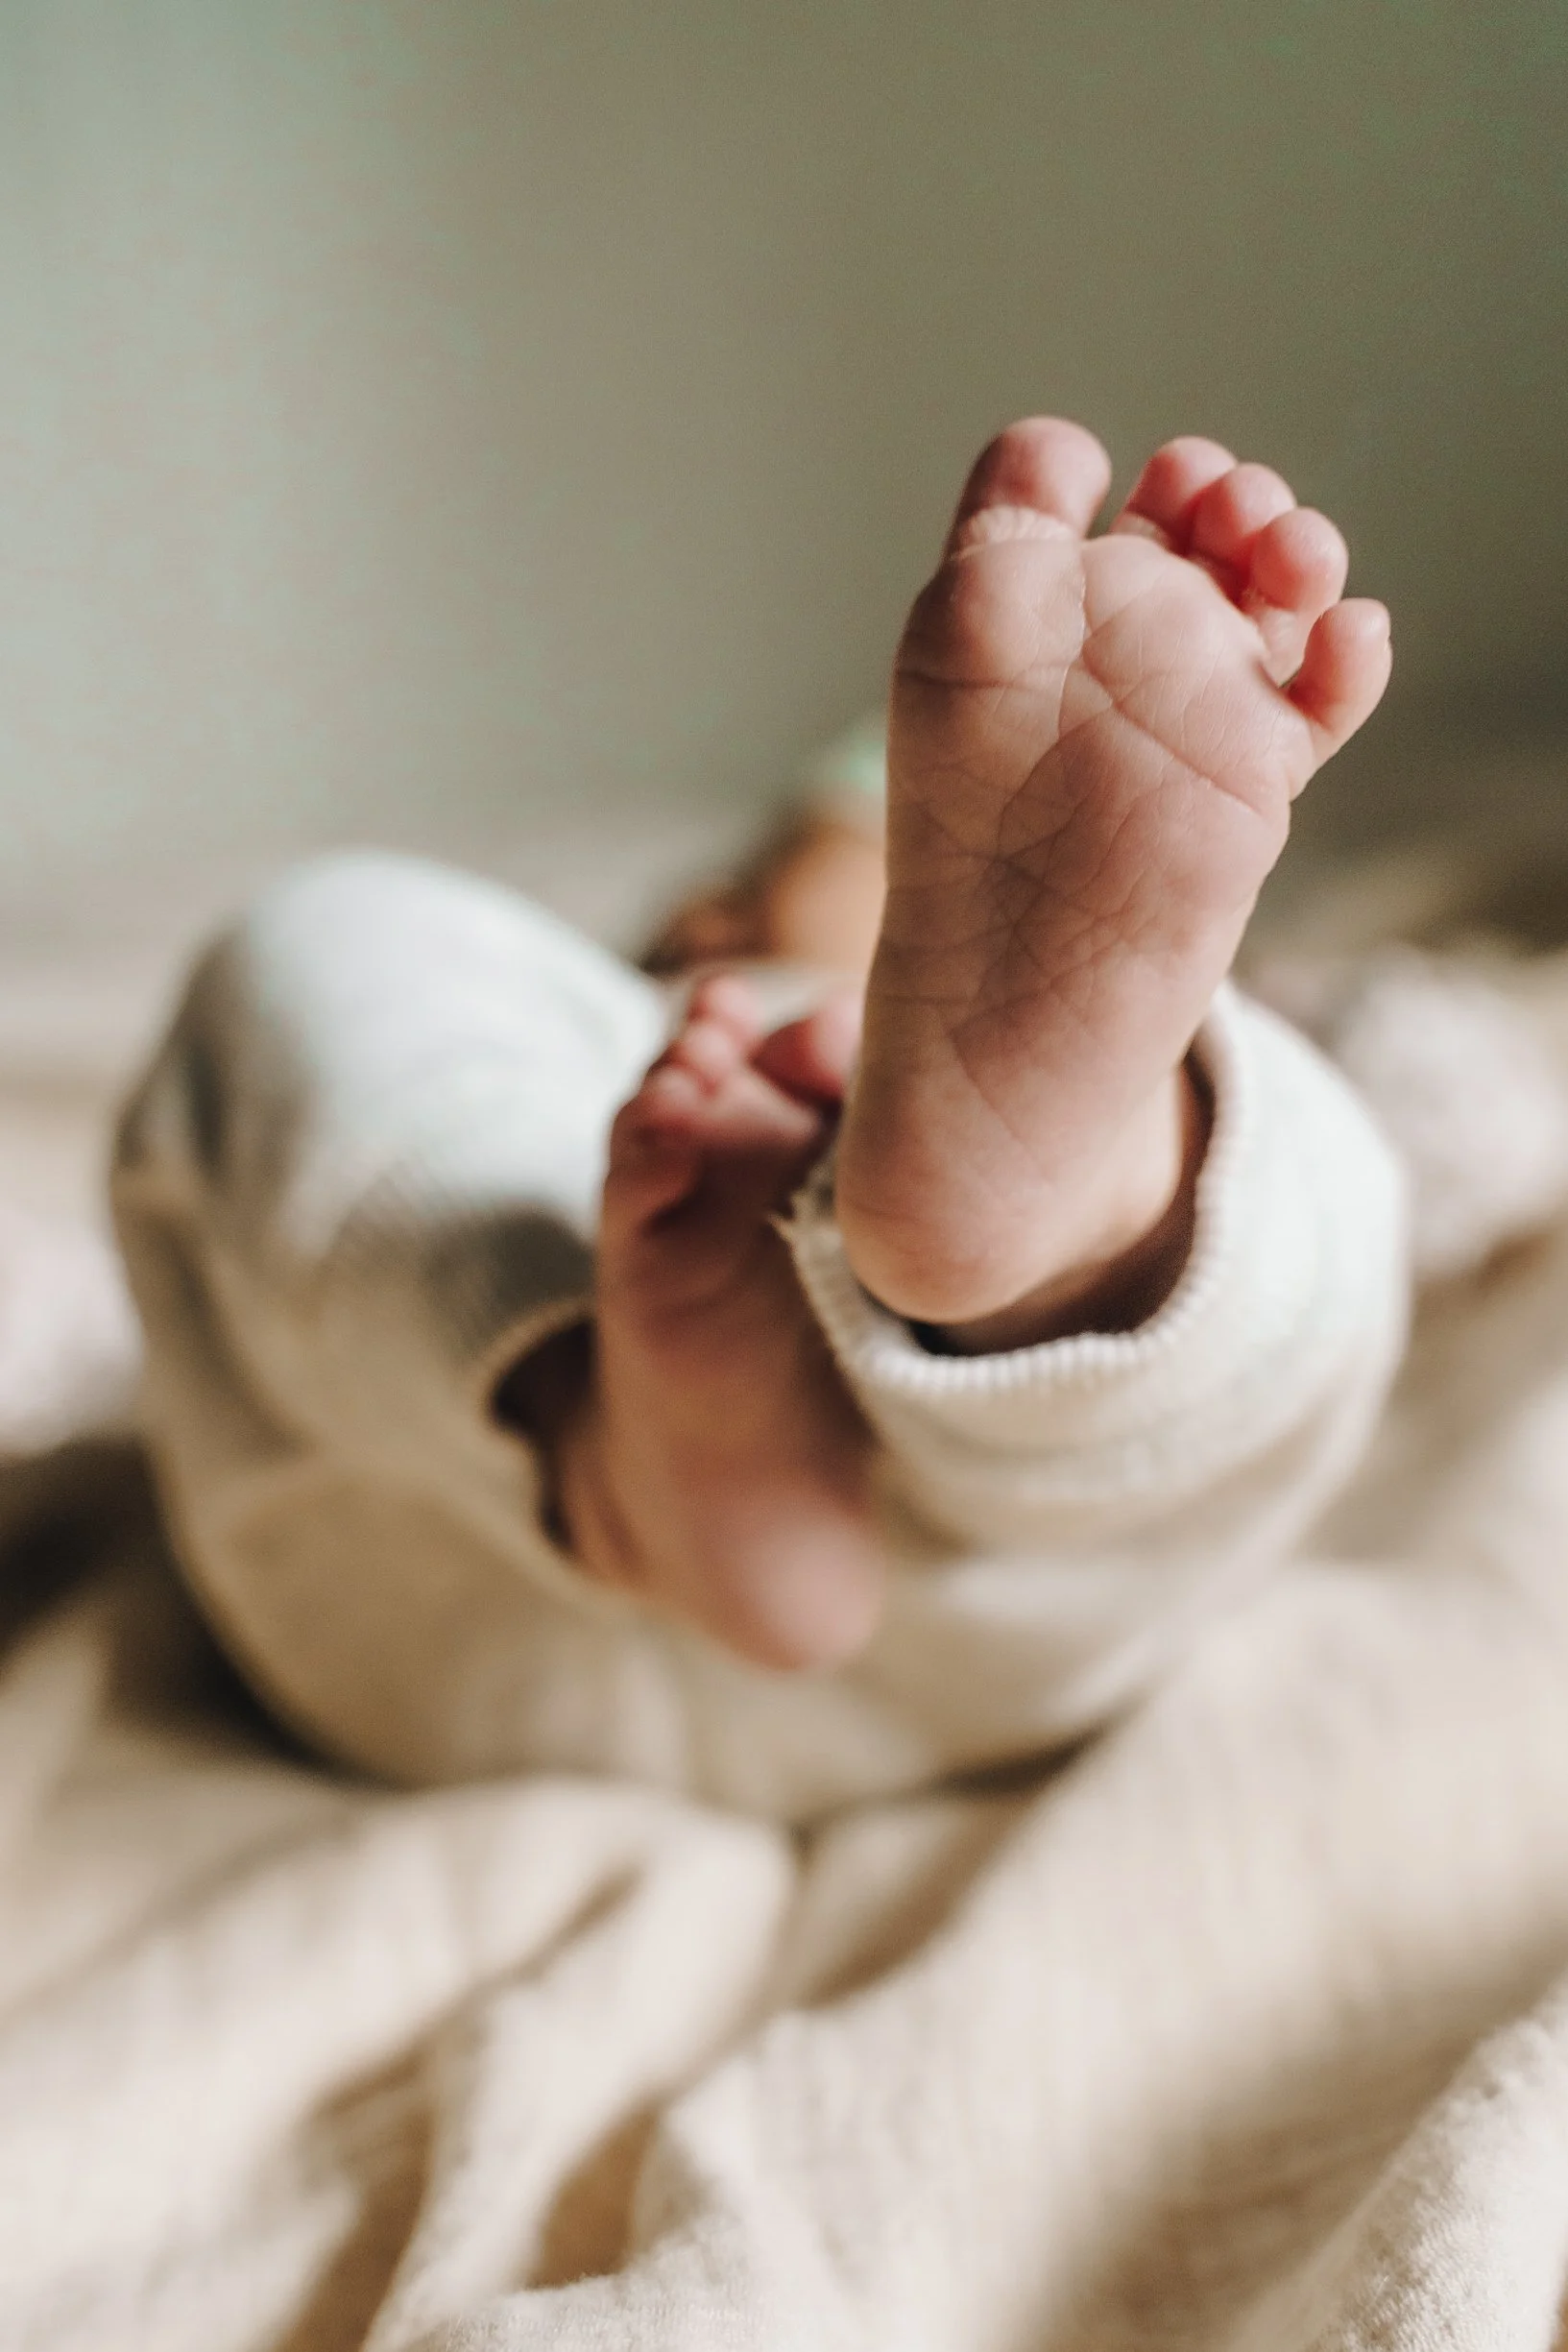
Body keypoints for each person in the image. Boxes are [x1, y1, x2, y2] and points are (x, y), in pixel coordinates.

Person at [111, 419, 1404, 1820]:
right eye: (898, 859)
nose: (926, 900)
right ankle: (664, 1413)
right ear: (705, 919)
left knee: (1265, 1122)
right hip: (585, 1567)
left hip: (901, 1587)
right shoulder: (610, 1029)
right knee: (346, 961)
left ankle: (1065, 1224)